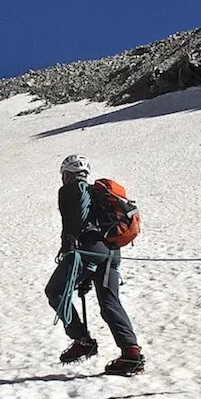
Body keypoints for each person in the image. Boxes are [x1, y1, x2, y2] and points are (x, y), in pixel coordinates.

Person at [44, 154, 144, 375]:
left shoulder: (72, 189)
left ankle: (82, 339)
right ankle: (131, 353)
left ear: (66, 174)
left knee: (55, 291)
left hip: (86, 250)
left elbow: (75, 221)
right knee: (110, 301)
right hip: (111, 251)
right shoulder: (96, 192)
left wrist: (69, 246)